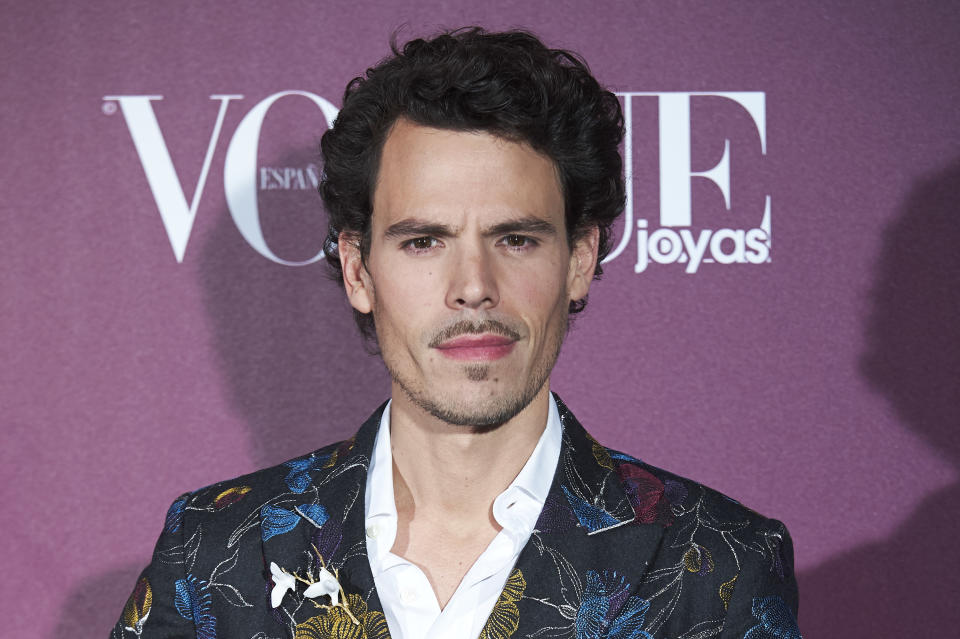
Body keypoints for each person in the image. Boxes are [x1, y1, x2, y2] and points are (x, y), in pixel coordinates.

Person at [112, 28, 800, 639]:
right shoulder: (214, 548)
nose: (473, 284)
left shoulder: (716, 561)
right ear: (358, 268)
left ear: (580, 260)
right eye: (424, 242)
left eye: (517, 238)